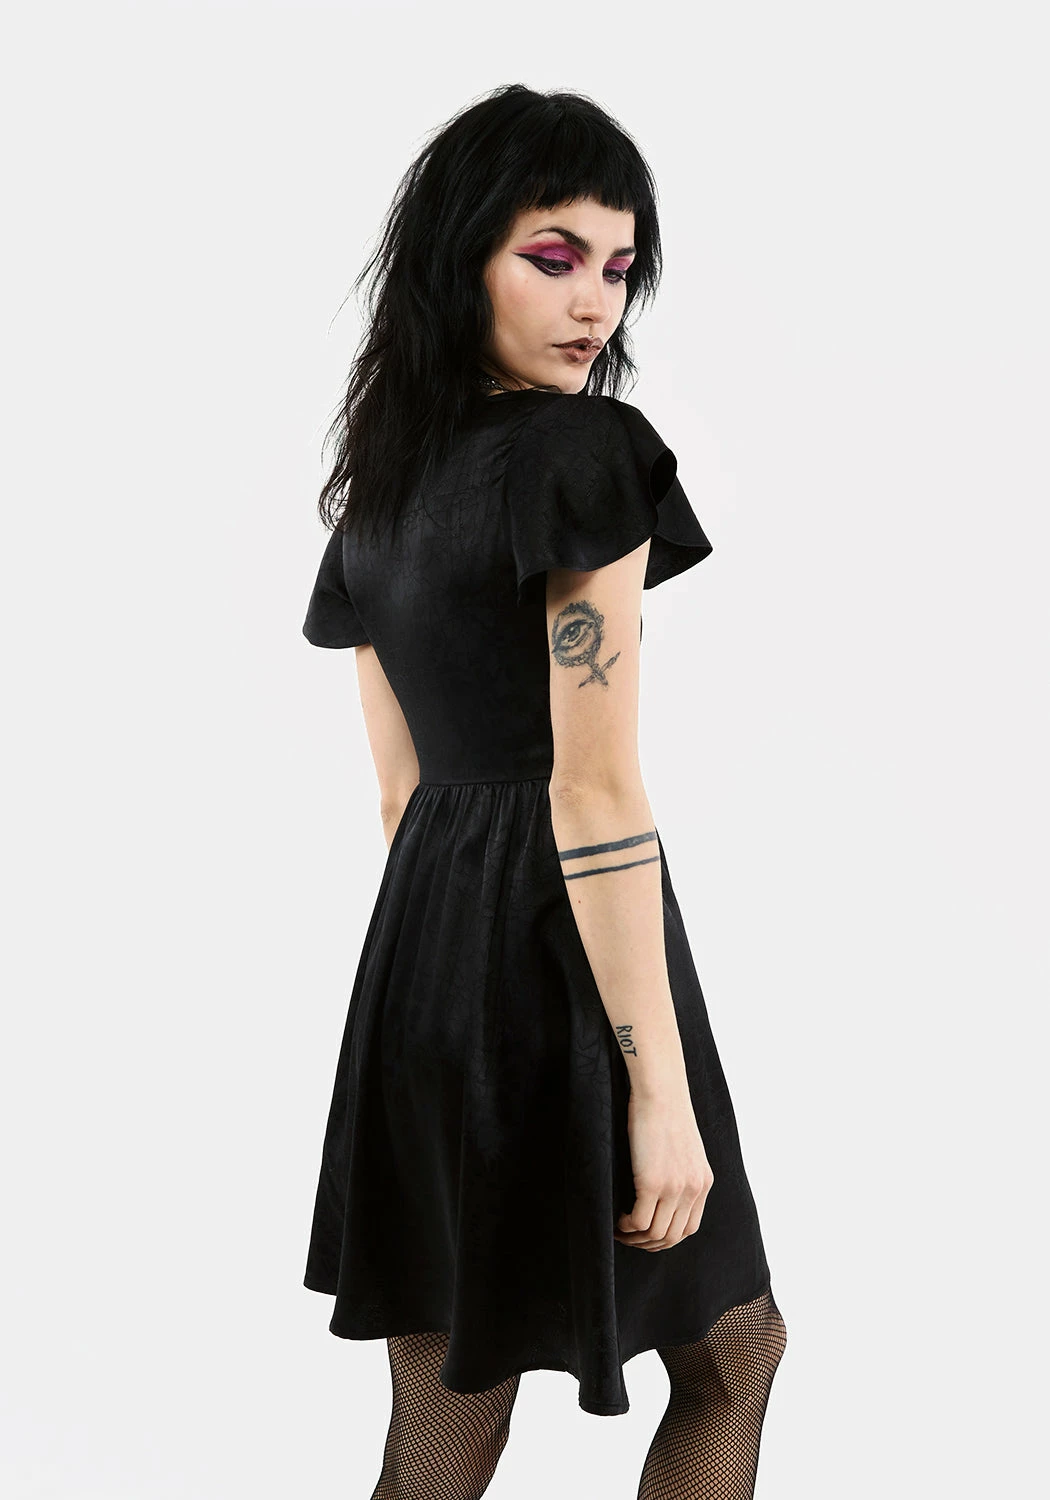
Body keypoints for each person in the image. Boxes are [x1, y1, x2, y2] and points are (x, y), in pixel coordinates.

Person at [301, 83, 788, 1498]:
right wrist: (657, 1091)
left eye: (619, 267)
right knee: (733, 1352)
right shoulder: (584, 453)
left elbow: (401, 796)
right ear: (459, 256)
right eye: (553, 256)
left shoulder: (376, 490)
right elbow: (594, 788)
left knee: (449, 1393)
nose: (594, 304)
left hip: (419, 967)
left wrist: (445, 1009)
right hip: (564, 951)